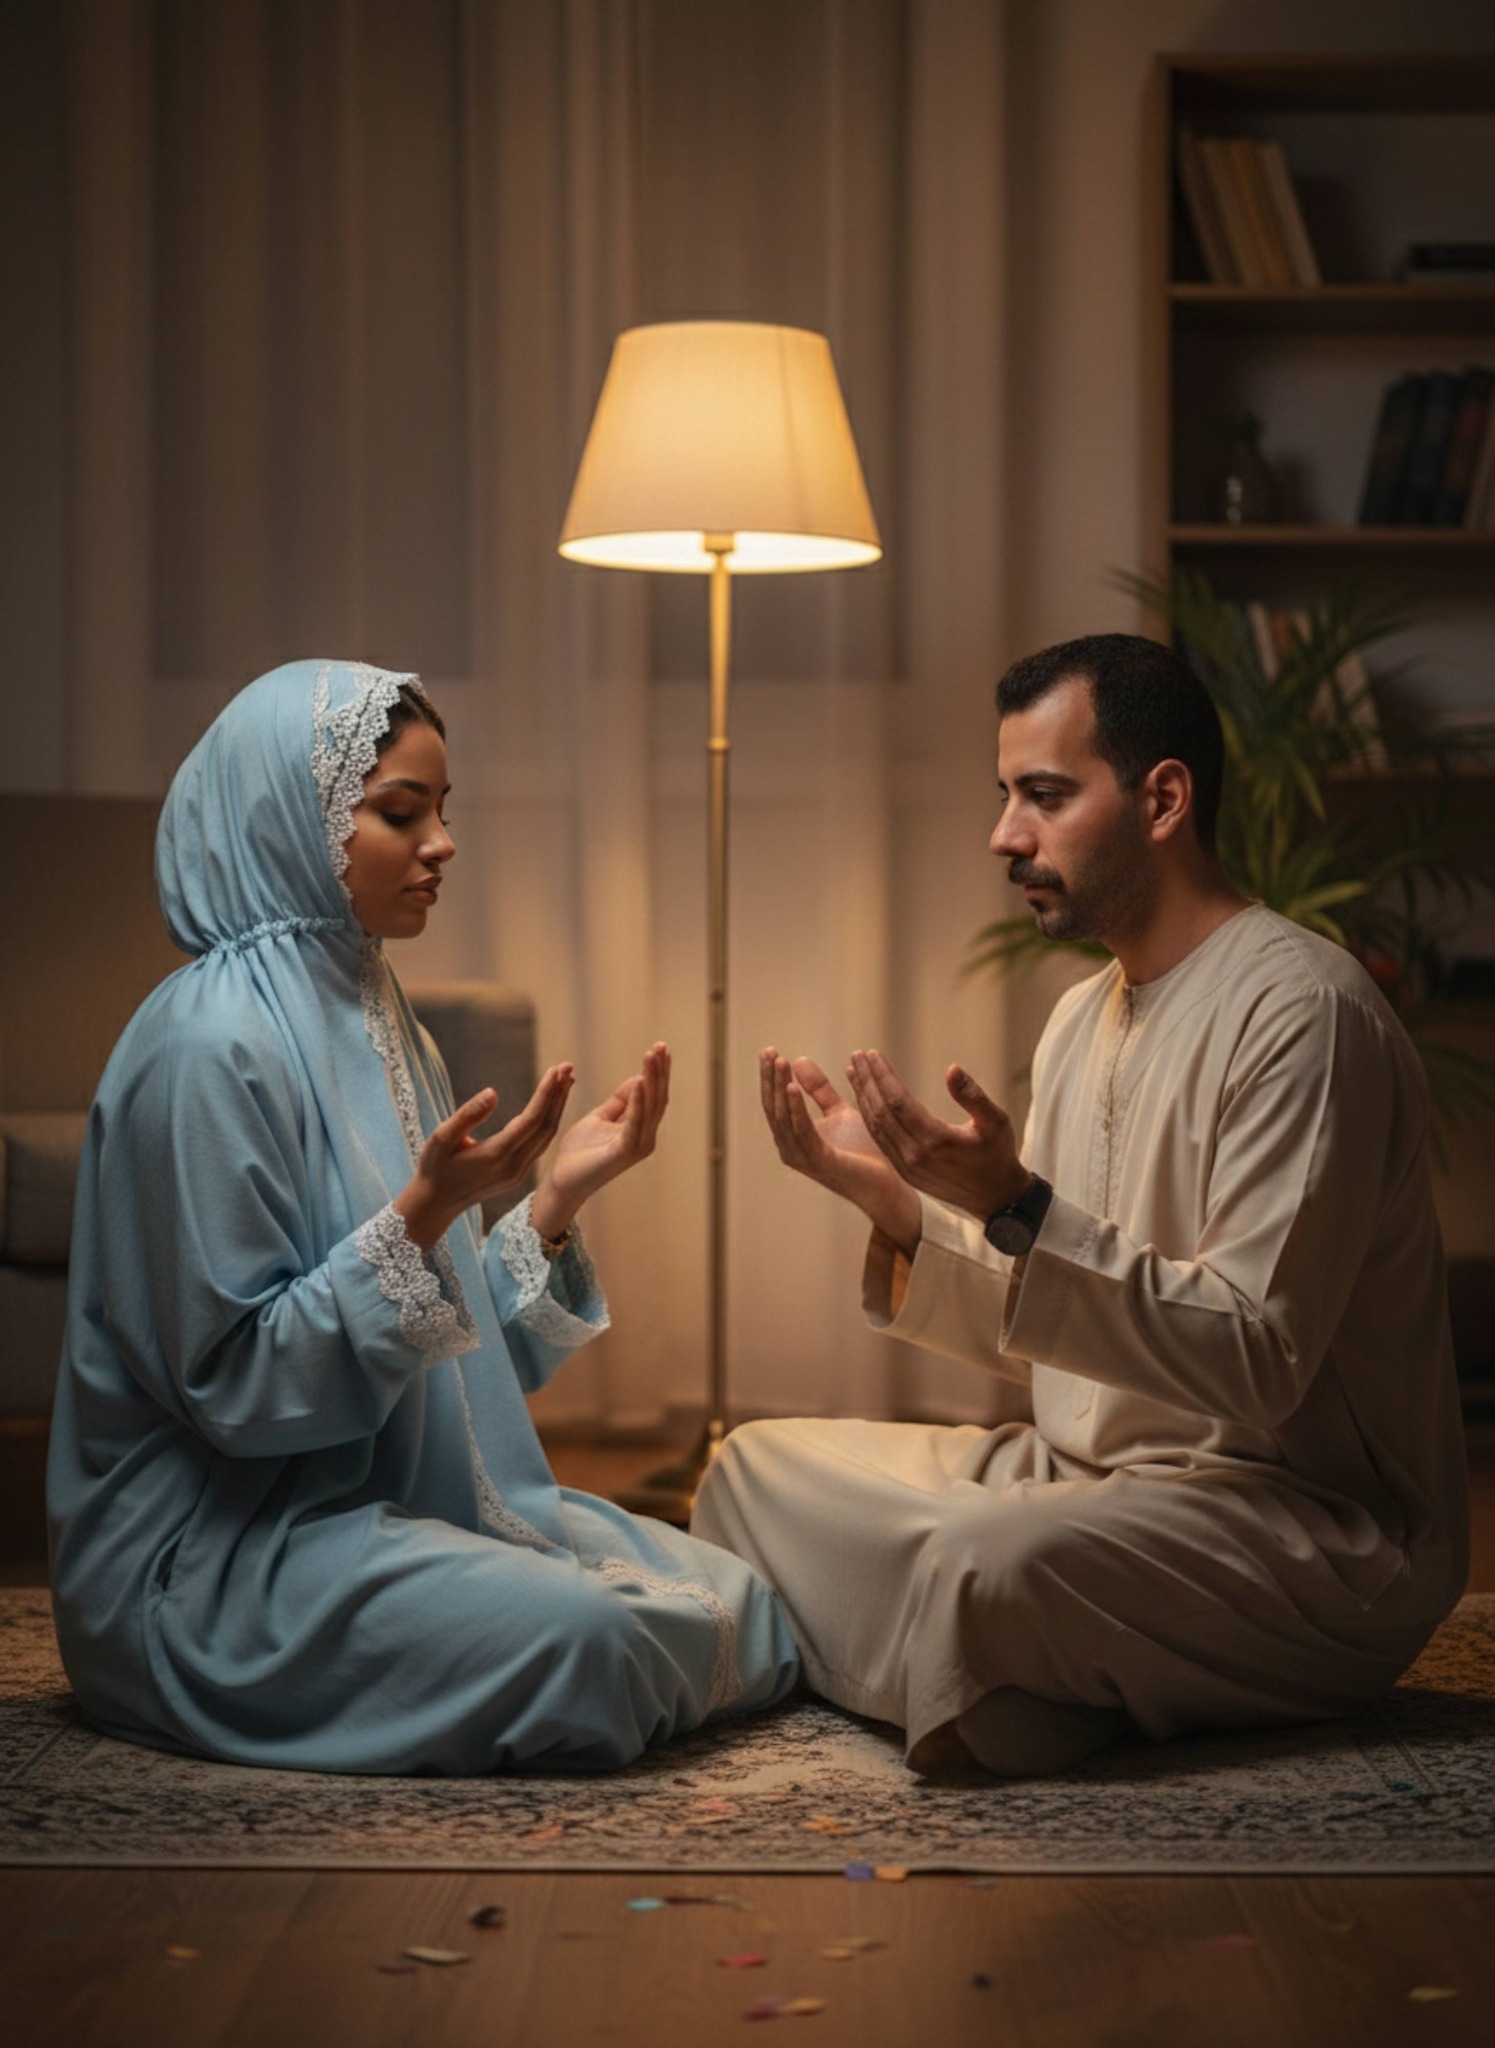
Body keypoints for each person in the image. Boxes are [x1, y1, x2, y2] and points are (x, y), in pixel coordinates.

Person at [692, 632, 1469, 1778]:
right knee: (750, 1472)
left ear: (1162, 799)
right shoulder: (1079, 1018)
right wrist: (902, 1214)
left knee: (980, 1566)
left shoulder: (1303, 1012)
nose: (1005, 835)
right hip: (1083, 1489)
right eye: (1006, 795)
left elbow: (1258, 1360)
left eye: (1043, 796)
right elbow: (1065, 1334)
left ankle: (973, 1669)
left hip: (1295, 1523)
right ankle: (1023, 1680)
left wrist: (1017, 1207)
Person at [48, 658, 797, 1773]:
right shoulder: (206, 1048)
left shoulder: (389, 1015)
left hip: (377, 1503)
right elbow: (239, 1390)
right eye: (402, 811)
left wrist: (549, 1201)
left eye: (443, 811)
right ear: (286, 821)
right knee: (594, 1642)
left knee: (745, 1599)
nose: (441, 843)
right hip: (219, 1556)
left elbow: (445, 1370)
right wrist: (418, 1218)